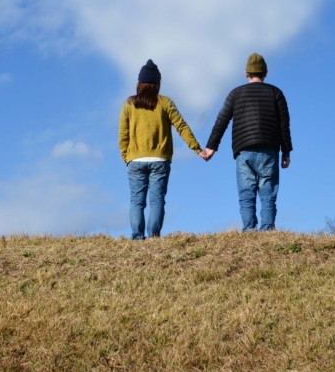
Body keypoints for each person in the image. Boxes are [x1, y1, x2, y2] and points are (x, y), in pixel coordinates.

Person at [201, 53, 292, 231]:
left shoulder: (235, 94)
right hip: (269, 149)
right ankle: (267, 229)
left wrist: (211, 147)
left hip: (244, 149)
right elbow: (284, 124)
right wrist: (286, 151)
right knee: (268, 193)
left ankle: (249, 230)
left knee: (246, 192)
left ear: (246, 73)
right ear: (265, 72)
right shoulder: (276, 93)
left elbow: (222, 120)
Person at [119, 59, 202, 240]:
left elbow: (123, 135)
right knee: (157, 200)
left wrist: (127, 157)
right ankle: (154, 236)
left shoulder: (129, 104)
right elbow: (181, 126)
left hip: (135, 160)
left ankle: (137, 237)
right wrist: (197, 148)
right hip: (159, 160)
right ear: (157, 84)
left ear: (139, 83)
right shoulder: (165, 103)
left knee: (136, 201)